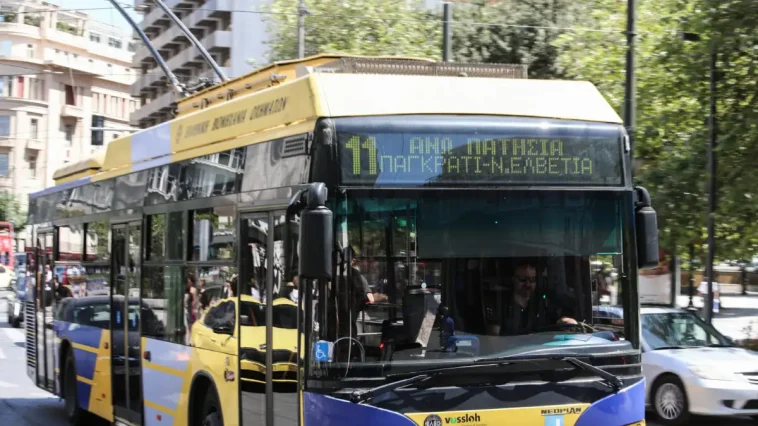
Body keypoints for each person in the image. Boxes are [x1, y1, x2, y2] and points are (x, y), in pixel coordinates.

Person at [489, 261, 577, 336]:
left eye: (532, 279)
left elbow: (558, 321)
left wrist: (566, 321)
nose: (528, 284)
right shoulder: (501, 304)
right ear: (513, 279)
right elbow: (493, 337)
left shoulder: (543, 302)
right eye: (523, 279)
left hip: (539, 349)